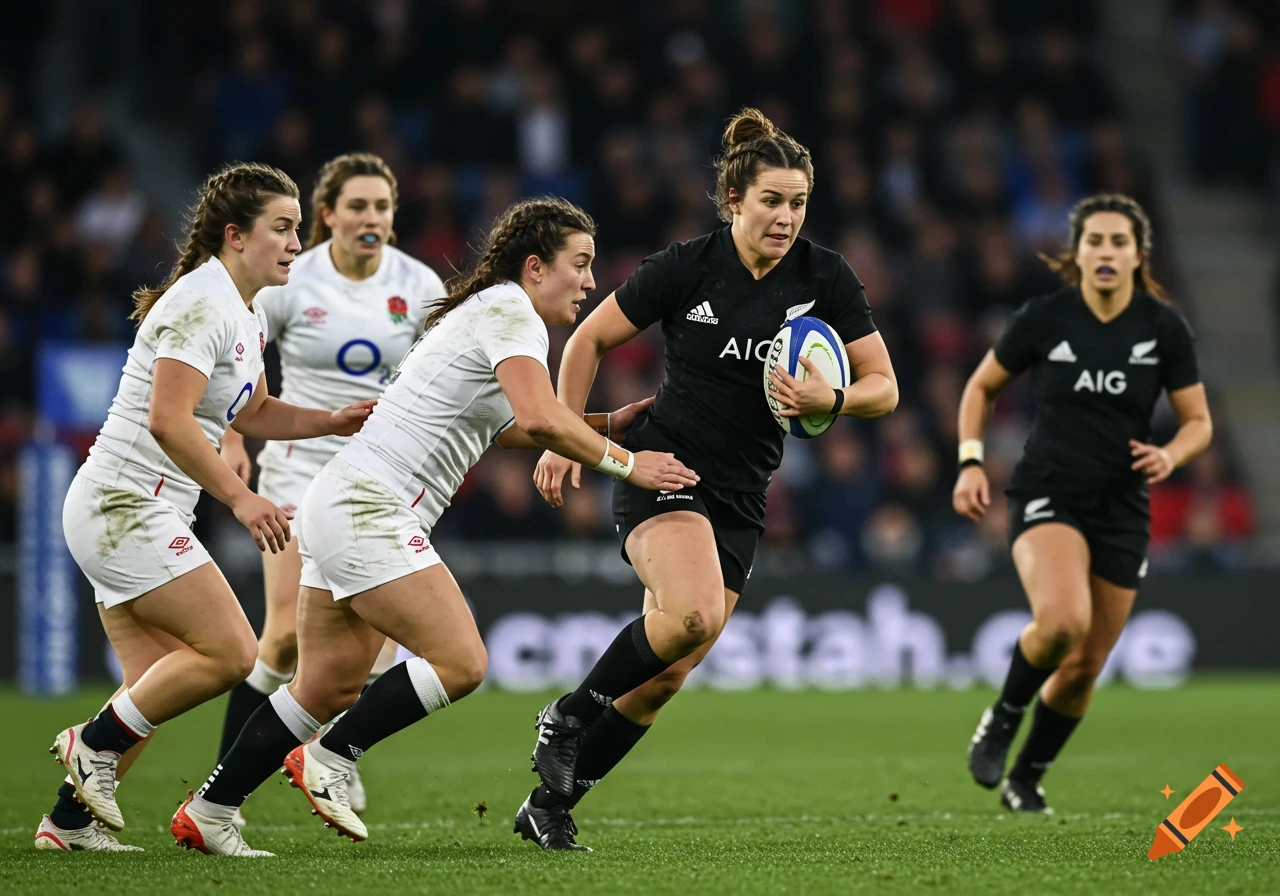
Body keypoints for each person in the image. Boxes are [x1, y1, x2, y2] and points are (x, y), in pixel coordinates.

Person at [170, 196, 698, 857]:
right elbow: (538, 419)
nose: (591, 282)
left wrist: (605, 424)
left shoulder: (492, 311)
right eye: (580, 264)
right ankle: (332, 755)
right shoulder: (512, 313)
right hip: (371, 507)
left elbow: (503, 429)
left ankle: (211, 807)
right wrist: (628, 463)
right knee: (462, 661)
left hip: (340, 501)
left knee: (324, 684)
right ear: (535, 267)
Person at [517, 108, 899, 851]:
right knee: (691, 616)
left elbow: (885, 387)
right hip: (665, 466)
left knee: (666, 675)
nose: (786, 217)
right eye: (771, 201)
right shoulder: (687, 267)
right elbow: (589, 338)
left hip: (742, 494)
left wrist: (836, 399)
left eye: (798, 203)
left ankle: (548, 809)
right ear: (734, 200)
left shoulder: (826, 277)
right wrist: (567, 433)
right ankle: (565, 715)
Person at [39, 162, 376, 853]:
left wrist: (331, 420)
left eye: (295, 229)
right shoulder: (202, 303)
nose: (294, 242)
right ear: (234, 235)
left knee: (149, 685)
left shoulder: (239, 310)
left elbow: (250, 410)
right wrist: (242, 498)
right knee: (231, 653)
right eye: (281, 228)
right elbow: (168, 419)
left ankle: (66, 825)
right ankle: (90, 743)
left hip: (127, 507)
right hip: (126, 505)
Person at [954, 193, 1212, 814]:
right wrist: (968, 460)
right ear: (1078, 253)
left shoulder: (1163, 328)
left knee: (1084, 666)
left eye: (1118, 242)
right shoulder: (1045, 318)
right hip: (1049, 492)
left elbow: (1198, 421)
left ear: (1137, 255)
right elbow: (981, 386)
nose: (1105, 252)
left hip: (1123, 508)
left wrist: (1171, 456)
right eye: (1094, 241)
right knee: (1063, 623)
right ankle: (1003, 716)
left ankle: (1027, 778)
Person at [216, 153, 446, 822]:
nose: (371, 219)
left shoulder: (419, 284)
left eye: (381, 208)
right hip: (298, 467)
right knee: (284, 640)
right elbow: (242, 364)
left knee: (371, 653)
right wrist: (234, 438)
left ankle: (334, 759)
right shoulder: (294, 280)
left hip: (383, 477)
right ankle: (224, 790)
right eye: (357, 207)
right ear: (327, 215)